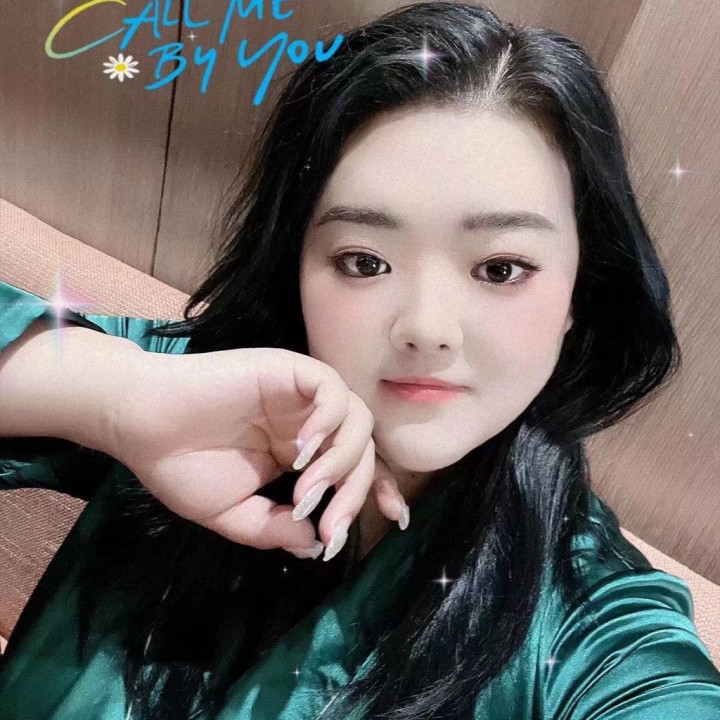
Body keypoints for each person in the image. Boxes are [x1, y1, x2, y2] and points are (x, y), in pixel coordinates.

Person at [0, 1, 719, 718]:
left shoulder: (595, 627)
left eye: (500, 269)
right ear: (296, 266)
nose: (427, 328)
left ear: (578, 293)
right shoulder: (191, 389)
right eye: (364, 261)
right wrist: (115, 399)